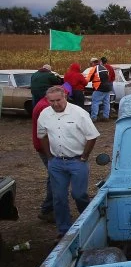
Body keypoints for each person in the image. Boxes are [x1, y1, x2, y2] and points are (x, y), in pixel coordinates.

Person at [37, 86, 100, 238]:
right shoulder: (45, 114)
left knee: (79, 195)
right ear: (47, 101)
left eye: (58, 100)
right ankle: (64, 230)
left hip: (77, 161)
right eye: (51, 101)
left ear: (65, 96)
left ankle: (90, 222)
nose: (55, 104)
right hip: (57, 162)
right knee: (59, 198)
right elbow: (42, 135)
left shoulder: (79, 113)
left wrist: (84, 157)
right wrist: (49, 156)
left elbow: (92, 136)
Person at [31, 94, 55, 222]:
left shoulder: (43, 103)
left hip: (46, 146)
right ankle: (48, 209)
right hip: (46, 147)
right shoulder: (44, 107)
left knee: (54, 176)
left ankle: (50, 208)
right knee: (55, 177)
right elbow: (47, 131)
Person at [88, 56, 114, 121]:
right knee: (106, 103)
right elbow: (108, 77)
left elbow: (88, 79)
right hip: (107, 88)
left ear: (93, 63)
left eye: (91, 63)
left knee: (95, 102)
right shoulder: (104, 68)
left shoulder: (94, 69)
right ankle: (106, 117)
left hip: (99, 88)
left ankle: (94, 117)